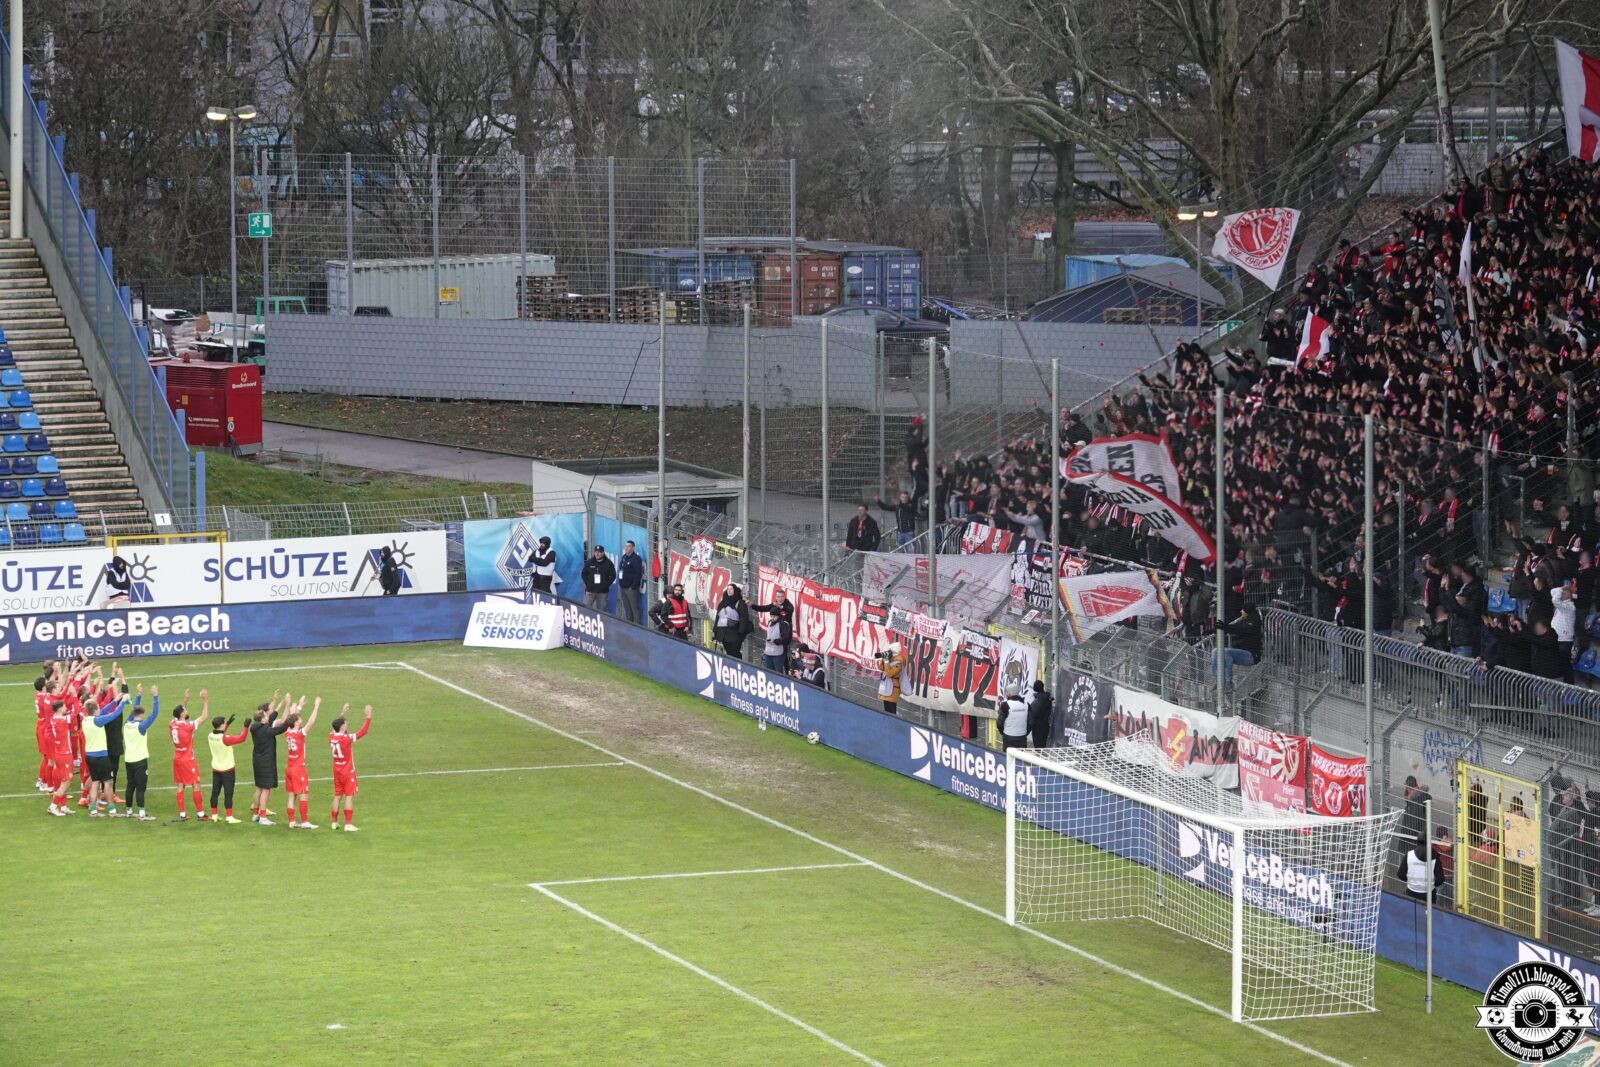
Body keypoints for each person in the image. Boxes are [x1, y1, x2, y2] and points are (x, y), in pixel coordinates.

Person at [79, 690, 127, 818]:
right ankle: (111, 809)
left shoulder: (85, 720)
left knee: (95, 782)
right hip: (101, 756)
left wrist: (115, 700)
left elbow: (104, 710)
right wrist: (122, 702)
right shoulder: (98, 721)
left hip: (89, 756)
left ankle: (93, 809)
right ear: (95, 710)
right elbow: (115, 714)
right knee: (108, 782)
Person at [121, 684, 162, 821]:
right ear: (142, 715)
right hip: (140, 761)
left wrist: (138, 695)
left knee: (130, 785)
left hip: (128, 760)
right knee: (140, 787)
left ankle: (128, 810)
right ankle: (142, 813)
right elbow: (154, 714)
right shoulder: (141, 727)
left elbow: (134, 711)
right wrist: (155, 695)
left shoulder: (127, 724)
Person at [329, 704, 373, 832]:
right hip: (347, 771)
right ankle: (348, 824)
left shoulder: (331, 736)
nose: (347, 724)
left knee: (337, 795)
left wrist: (343, 712)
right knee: (349, 796)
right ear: (342, 726)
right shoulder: (346, 739)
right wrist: (368, 716)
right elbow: (363, 732)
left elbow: (334, 727)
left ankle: (334, 822)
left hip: (336, 770)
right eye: (346, 723)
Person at [248, 695, 291, 825]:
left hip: (257, 761)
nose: (269, 716)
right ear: (262, 719)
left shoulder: (255, 727)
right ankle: (263, 817)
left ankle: (255, 814)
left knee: (259, 788)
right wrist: (289, 707)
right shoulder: (266, 731)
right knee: (266, 789)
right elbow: (283, 727)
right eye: (266, 716)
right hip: (266, 762)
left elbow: (270, 719)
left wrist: (279, 707)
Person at [168, 689, 206, 821]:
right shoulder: (187, 726)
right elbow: (204, 717)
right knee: (195, 783)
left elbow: (178, 714)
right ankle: (201, 814)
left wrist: (185, 700)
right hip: (187, 759)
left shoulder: (173, 724)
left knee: (180, 785)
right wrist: (205, 700)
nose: (186, 710)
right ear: (183, 714)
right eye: (184, 709)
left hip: (177, 758)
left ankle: (182, 814)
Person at [283, 696, 320, 830]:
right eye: (299, 719)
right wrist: (316, 706)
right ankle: (304, 822)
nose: (301, 720)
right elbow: (311, 722)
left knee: (291, 795)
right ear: (297, 723)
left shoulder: (287, 733)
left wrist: (299, 706)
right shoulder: (300, 734)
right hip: (299, 769)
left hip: (289, 768)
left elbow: (291, 718)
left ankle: (292, 821)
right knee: (304, 794)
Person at [207, 712, 250, 824]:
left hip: (216, 768)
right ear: (221, 725)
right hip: (227, 770)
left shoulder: (210, 735)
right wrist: (246, 726)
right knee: (228, 793)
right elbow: (242, 738)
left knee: (215, 792)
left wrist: (228, 724)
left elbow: (219, 734)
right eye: (224, 722)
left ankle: (214, 815)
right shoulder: (225, 739)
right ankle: (229, 817)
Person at [1213, 602, 1263, 685]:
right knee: (1215, 651)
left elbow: (1242, 629)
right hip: (1242, 652)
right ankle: (1217, 679)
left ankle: (1228, 682)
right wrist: (1215, 629)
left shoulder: (1254, 621)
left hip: (1251, 655)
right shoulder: (1245, 620)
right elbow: (1234, 627)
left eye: (1242, 610)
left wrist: (1226, 627)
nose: (1241, 611)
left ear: (1247, 611)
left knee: (1225, 653)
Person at [1396, 835, 1446, 903]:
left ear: (1417, 842)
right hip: (1429, 894)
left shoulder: (1409, 855)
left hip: (1411, 891)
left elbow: (1400, 874)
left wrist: (1411, 881)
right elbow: (1440, 880)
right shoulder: (1435, 857)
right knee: (1428, 912)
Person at [712, 585, 753, 659]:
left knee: (734, 653)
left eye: (731, 589)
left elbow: (744, 618)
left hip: (735, 634)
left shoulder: (740, 602)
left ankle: (738, 667)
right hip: (724, 634)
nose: (729, 591)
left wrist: (741, 632)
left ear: (735, 590)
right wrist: (715, 631)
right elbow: (718, 617)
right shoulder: (722, 603)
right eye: (727, 589)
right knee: (729, 653)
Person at [617, 540, 645, 624]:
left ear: (633, 548)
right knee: (627, 608)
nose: (626, 548)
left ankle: (636, 625)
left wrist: (633, 586)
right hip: (623, 587)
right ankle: (629, 624)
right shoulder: (624, 557)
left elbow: (638, 574)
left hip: (631, 588)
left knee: (634, 608)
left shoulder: (636, 559)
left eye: (628, 546)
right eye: (625, 546)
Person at [581, 544, 617, 612]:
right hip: (590, 591)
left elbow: (613, 575)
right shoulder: (589, 562)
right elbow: (583, 574)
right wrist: (588, 584)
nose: (597, 554)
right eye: (596, 552)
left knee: (602, 611)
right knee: (585, 609)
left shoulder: (608, 563)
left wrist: (606, 585)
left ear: (603, 553)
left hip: (602, 592)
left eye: (599, 552)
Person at [757, 604, 791, 672]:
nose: (772, 618)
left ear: (778, 616)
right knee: (768, 672)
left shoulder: (783, 624)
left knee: (778, 673)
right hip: (768, 652)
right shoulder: (769, 622)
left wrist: (775, 641)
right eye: (771, 616)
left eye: (774, 616)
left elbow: (786, 640)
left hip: (778, 654)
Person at [999, 682, 1030, 750]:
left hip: (1008, 736)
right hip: (1022, 736)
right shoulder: (1026, 705)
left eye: (1006, 692)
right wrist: (1025, 732)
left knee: (1008, 757)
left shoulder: (1005, 705)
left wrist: (1003, 732)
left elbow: (999, 723)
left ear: (1009, 693)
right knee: (1021, 758)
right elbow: (1031, 722)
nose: (1006, 694)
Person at [877, 642, 904, 715]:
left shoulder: (899, 662)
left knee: (891, 710)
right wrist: (883, 659)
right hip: (887, 686)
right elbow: (881, 668)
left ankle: (892, 724)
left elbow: (889, 673)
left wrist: (886, 661)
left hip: (893, 689)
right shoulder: (891, 659)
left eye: (890, 651)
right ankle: (888, 723)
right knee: (886, 707)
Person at [1027, 680, 1054, 749]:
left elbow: (1033, 715)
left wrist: (1028, 729)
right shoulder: (1046, 698)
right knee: (1042, 747)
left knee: (1038, 748)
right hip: (1044, 725)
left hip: (1038, 727)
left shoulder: (1038, 701)